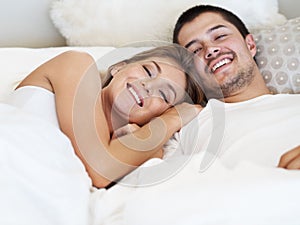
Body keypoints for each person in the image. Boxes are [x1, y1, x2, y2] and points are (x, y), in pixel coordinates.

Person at [9, 44, 204, 188]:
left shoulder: (141, 150)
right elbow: (99, 169)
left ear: (159, 113)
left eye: (163, 94)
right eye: (147, 70)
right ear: (119, 66)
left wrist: (142, 136)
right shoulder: (77, 64)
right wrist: (173, 119)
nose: (148, 86)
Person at [169, 5, 300, 170]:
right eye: (195, 50)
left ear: (251, 45)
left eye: (220, 36)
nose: (210, 49)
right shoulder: (186, 126)